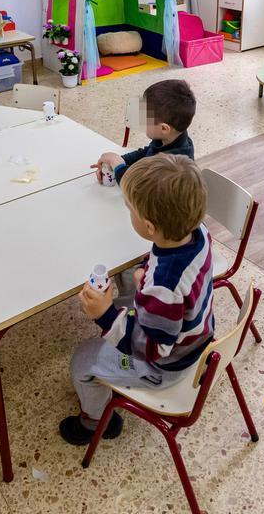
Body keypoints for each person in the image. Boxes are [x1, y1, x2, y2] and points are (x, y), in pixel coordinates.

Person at [60, 154, 214, 445]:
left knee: (83, 361)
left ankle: (95, 423)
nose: (128, 211)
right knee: (129, 282)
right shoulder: (199, 232)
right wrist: (149, 270)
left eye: (129, 209)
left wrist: (104, 314)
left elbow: (154, 349)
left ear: (149, 227)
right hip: (195, 336)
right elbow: (178, 274)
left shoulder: (164, 288)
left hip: (166, 366)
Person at [92, 79, 196, 185]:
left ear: (164, 128)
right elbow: (146, 153)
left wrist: (117, 165)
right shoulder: (169, 138)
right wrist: (117, 162)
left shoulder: (173, 166)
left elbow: (138, 185)